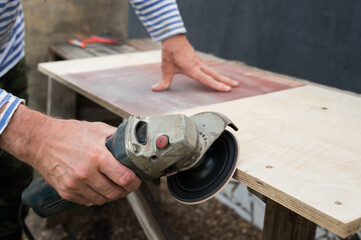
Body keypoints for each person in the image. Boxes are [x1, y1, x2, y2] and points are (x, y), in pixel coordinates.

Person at [0, 0, 238, 239]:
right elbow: (25, 133)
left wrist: (171, 33)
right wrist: (35, 137)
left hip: (6, 54)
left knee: (12, 177)